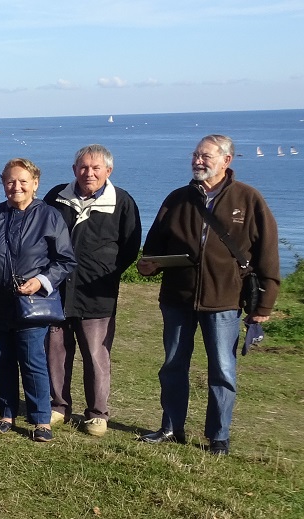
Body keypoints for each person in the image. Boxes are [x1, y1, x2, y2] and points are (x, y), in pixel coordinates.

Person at [137, 135, 280, 455]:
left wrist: (264, 304)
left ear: (226, 161)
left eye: (206, 156)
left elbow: (268, 253)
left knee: (223, 369)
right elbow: (154, 246)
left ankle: (218, 436)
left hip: (225, 300)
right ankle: (171, 427)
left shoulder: (249, 199)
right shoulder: (176, 199)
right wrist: (149, 265)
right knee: (173, 365)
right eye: (195, 155)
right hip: (177, 298)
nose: (198, 161)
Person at [0, 158, 75, 442]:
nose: (17, 187)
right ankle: (6, 414)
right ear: (2, 184)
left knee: (32, 359)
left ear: (35, 184)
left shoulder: (50, 216)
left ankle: (40, 420)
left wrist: (41, 281)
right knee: (2, 360)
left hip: (33, 305)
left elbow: (65, 260)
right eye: (10, 181)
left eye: (23, 181)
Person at [42, 144, 141, 437]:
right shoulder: (56, 197)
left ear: (108, 171)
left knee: (96, 355)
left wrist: (103, 274)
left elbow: (130, 247)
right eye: (84, 167)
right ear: (74, 170)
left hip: (97, 294)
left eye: (96, 168)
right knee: (55, 352)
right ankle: (59, 406)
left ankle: (97, 413)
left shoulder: (121, 202)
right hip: (57, 291)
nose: (89, 173)